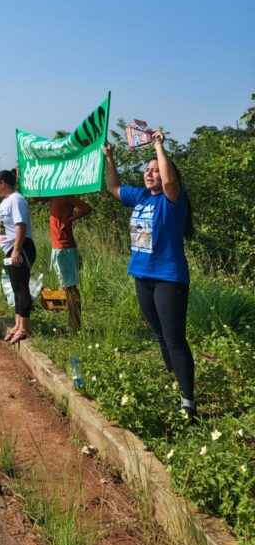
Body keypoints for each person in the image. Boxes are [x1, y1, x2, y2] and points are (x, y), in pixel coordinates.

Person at [103, 132, 197, 417]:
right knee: (160, 335)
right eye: (147, 169)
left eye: (155, 170)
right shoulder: (141, 196)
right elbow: (114, 187)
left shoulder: (172, 200)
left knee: (174, 339)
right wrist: (110, 158)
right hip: (142, 277)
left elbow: (169, 182)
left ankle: (188, 402)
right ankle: (174, 383)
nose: (149, 173)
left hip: (168, 278)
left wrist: (158, 146)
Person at [0, 169, 36, 343]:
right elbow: (2, 227)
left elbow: (20, 226)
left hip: (21, 248)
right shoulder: (5, 202)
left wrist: (16, 251)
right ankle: (17, 324)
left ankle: (23, 328)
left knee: (22, 287)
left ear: (2, 183)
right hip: (11, 249)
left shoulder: (16, 200)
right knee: (16, 288)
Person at [49, 195, 92, 332]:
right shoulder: (53, 195)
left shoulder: (67, 195)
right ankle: (72, 324)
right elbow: (35, 198)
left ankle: (75, 326)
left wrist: (69, 220)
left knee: (71, 287)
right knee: (66, 287)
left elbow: (86, 208)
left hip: (65, 247)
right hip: (58, 247)